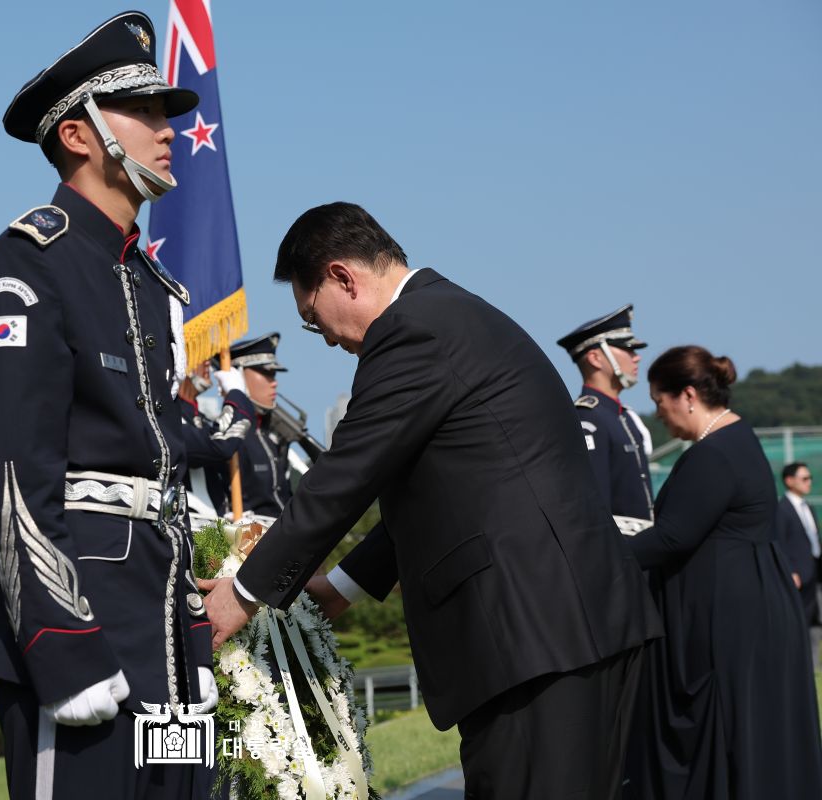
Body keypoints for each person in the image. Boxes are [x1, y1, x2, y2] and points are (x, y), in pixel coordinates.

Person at [202, 202, 662, 799]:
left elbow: (345, 477)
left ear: (343, 277)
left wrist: (242, 595)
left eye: (316, 321)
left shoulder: (413, 333)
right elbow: (445, 491)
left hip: (534, 635)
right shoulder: (449, 317)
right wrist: (342, 586)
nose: (329, 341)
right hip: (565, 627)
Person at [0, 13, 217, 800]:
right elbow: (16, 478)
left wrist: (191, 643)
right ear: (78, 134)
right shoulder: (28, 265)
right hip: (84, 623)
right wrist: (63, 646)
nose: (169, 129)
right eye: (146, 112)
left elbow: (165, 483)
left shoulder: (145, 281)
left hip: (162, 626)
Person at [622, 346, 822, 798]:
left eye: (659, 401)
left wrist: (601, 550)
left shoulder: (712, 455)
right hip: (746, 613)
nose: (659, 414)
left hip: (727, 628)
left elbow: (673, 537)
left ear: (688, 395)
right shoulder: (737, 439)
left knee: (722, 736)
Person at [557, 305, 654, 529]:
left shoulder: (625, 417)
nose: (636, 358)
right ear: (596, 358)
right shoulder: (588, 419)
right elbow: (594, 506)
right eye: (627, 349)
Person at [213, 332, 293, 518]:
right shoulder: (229, 436)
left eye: (273, 374)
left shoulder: (269, 436)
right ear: (238, 375)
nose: (274, 383)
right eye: (266, 373)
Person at [177, 363, 254, 514]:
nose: (208, 363)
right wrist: (236, 395)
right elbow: (221, 444)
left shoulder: (200, 420)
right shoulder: (168, 418)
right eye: (201, 353)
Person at [776, 462, 819, 625]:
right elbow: (780, 542)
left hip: (814, 571)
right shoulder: (782, 509)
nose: (809, 482)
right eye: (805, 478)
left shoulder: (808, 507)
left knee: (813, 622)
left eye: (810, 478)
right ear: (789, 480)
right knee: (798, 620)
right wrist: (791, 570)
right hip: (798, 575)